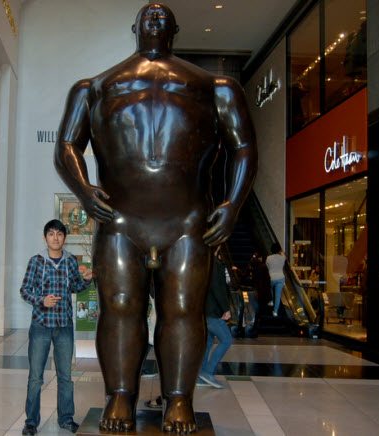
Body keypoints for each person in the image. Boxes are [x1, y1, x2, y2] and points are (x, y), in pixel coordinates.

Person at [54, 3, 257, 432]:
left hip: (186, 221)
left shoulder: (214, 86)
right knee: (119, 308)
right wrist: (85, 190)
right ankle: (119, 395)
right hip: (121, 220)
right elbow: (66, 146)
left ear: (176, 29)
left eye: (164, 16)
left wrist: (233, 203)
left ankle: (179, 398)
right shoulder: (95, 87)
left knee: (183, 310)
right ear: (134, 27)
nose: (155, 17)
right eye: (148, 14)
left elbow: (243, 148)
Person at [19, 219, 93, 435]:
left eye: (59, 234)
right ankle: (31, 422)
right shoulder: (36, 261)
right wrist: (41, 300)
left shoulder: (70, 261)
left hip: (64, 326)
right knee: (35, 377)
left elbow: (76, 287)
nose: (55, 238)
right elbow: (24, 290)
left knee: (65, 377)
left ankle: (66, 419)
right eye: (51, 234)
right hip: (41, 325)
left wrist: (86, 279)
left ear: (64, 238)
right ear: (45, 238)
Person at [198, 247, 232, 388]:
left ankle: (200, 377)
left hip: (204, 309)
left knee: (208, 342)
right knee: (227, 340)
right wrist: (226, 308)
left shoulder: (202, 262)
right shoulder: (215, 264)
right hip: (213, 310)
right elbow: (218, 288)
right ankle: (208, 372)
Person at [266, 243, 286, 317]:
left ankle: (272, 301)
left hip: (272, 278)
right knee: (278, 295)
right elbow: (283, 254)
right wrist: (281, 252)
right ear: (279, 250)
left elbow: (268, 267)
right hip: (281, 278)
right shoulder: (282, 257)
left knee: (271, 289)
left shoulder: (268, 258)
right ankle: (275, 312)